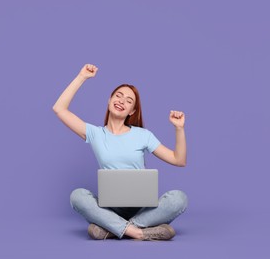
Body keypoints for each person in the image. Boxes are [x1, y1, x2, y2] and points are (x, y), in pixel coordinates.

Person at [52, 64, 188, 241]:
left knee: (179, 198)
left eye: (129, 100)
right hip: (109, 207)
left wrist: (179, 129)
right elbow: (59, 109)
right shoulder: (95, 134)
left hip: (142, 207)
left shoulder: (143, 135)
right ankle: (138, 232)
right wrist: (82, 77)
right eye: (118, 96)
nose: (122, 101)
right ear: (109, 101)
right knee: (77, 196)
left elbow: (179, 160)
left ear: (132, 111)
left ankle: (110, 229)